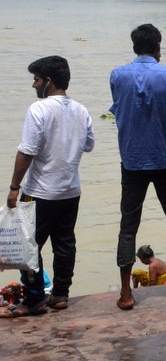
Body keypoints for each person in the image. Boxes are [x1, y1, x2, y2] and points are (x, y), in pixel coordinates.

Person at [109, 23, 166, 311]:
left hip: (132, 162)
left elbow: (121, 110)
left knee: (128, 226)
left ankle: (126, 293)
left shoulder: (117, 75)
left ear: (134, 46)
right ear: (158, 47)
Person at [2, 56, 94, 317]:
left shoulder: (38, 110)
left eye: (36, 79)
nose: (34, 85)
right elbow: (88, 145)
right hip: (70, 191)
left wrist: (13, 187)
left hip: (39, 192)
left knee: (28, 246)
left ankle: (33, 300)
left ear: (49, 81)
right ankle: (61, 295)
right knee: (64, 242)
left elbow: (26, 151)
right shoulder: (81, 110)